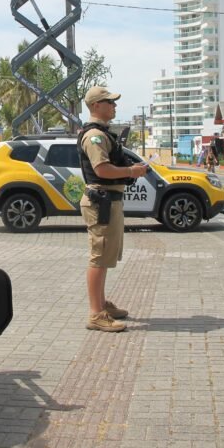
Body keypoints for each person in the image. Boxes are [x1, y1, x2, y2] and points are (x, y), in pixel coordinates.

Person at [77, 86, 149, 333]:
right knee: (99, 256)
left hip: (108, 200)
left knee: (106, 255)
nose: (114, 106)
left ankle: (101, 303)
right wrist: (131, 171)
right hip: (102, 201)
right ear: (96, 105)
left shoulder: (102, 134)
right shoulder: (94, 136)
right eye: (110, 102)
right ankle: (96, 314)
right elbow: (102, 169)